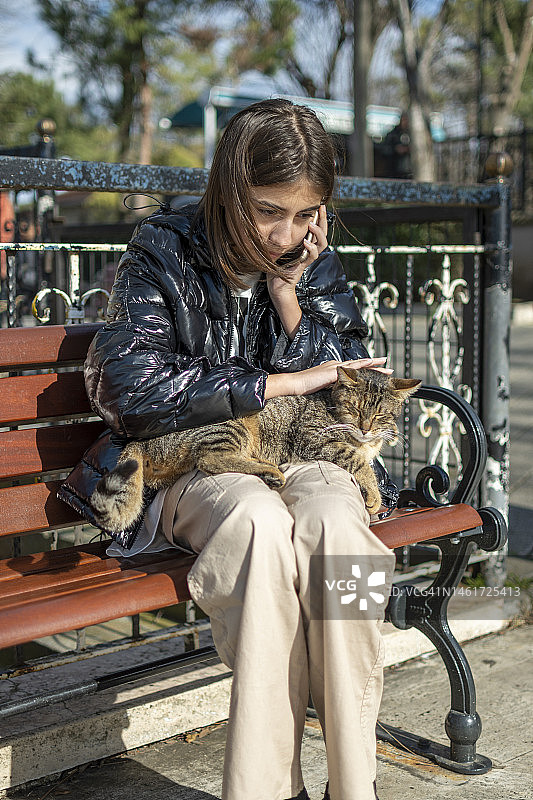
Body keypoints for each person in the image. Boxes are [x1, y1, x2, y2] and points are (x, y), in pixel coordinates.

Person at [60, 99, 398, 800]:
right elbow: (129, 387)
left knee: (341, 536)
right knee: (257, 524)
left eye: (306, 215)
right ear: (228, 189)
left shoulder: (309, 261)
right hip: (193, 464)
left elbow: (354, 381)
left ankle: (353, 786)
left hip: (305, 457)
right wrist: (273, 381)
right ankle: (267, 788)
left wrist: (290, 301)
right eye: (268, 210)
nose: (285, 233)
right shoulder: (163, 247)